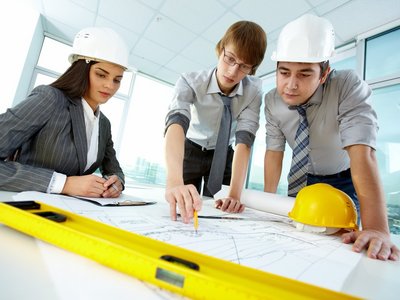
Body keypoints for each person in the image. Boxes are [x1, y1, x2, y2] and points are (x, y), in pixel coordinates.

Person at [263, 14, 399, 261]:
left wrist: (377, 228)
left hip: (347, 179)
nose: (291, 85)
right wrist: (267, 202)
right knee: (294, 243)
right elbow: (274, 151)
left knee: (340, 249)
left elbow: (362, 150)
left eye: (304, 74)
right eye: (284, 73)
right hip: (303, 179)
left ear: (324, 75)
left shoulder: (347, 85)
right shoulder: (272, 101)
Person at [0, 27, 129, 198]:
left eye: (117, 80)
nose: (110, 86)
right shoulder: (50, 99)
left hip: (69, 214)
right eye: (101, 75)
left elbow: (114, 169)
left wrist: (116, 182)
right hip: (22, 208)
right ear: (82, 70)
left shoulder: (104, 124)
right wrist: (64, 183)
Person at [164, 21, 267, 223]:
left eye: (244, 66)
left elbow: (244, 139)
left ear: (252, 69)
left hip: (225, 155)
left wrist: (236, 195)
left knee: (222, 214)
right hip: (191, 149)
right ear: (220, 49)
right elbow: (176, 123)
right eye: (229, 59)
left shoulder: (254, 90)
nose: (232, 71)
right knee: (182, 208)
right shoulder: (190, 81)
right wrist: (174, 181)